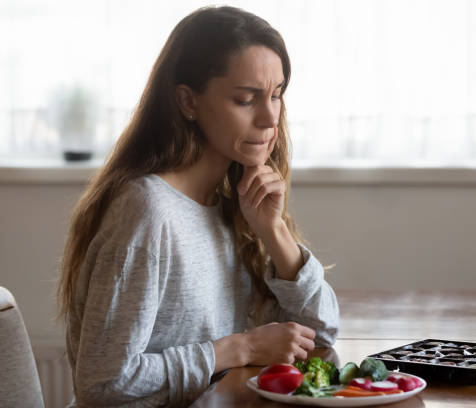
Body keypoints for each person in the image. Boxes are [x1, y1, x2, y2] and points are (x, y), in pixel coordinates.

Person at [57, 5, 339, 407]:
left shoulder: (231, 204)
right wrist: (239, 349)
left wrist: (274, 233)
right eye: (246, 99)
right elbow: (103, 382)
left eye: (276, 96)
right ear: (188, 101)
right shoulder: (147, 212)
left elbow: (322, 333)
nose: (269, 118)